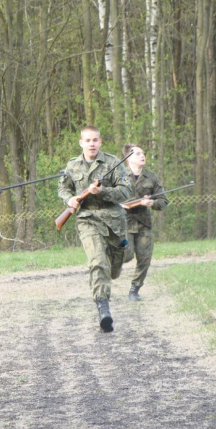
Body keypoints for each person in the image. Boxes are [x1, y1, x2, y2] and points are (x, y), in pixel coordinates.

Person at [58, 126, 133, 332]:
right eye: (88, 140)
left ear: (100, 142)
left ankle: (106, 287)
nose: (92, 144)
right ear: (81, 143)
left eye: (95, 140)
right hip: (87, 219)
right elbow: (63, 188)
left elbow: (126, 190)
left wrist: (102, 191)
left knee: (114, 269)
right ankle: (103, 308)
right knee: (97, 261)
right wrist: (70, 199)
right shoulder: (72, 166)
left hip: (114, 223)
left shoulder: (112, 163)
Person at [121, 143, 168, 301]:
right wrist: (137, 201)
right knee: (126, 256)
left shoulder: (151, 177)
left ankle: (135, 288)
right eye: (137, 153)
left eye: (143, 153)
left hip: (144, 225)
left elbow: (163, 200)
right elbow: (111, 198)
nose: (142, 156)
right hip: (124, 223)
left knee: (145, 258)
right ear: (128, 158)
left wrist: (152, 203)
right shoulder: (119, 176)